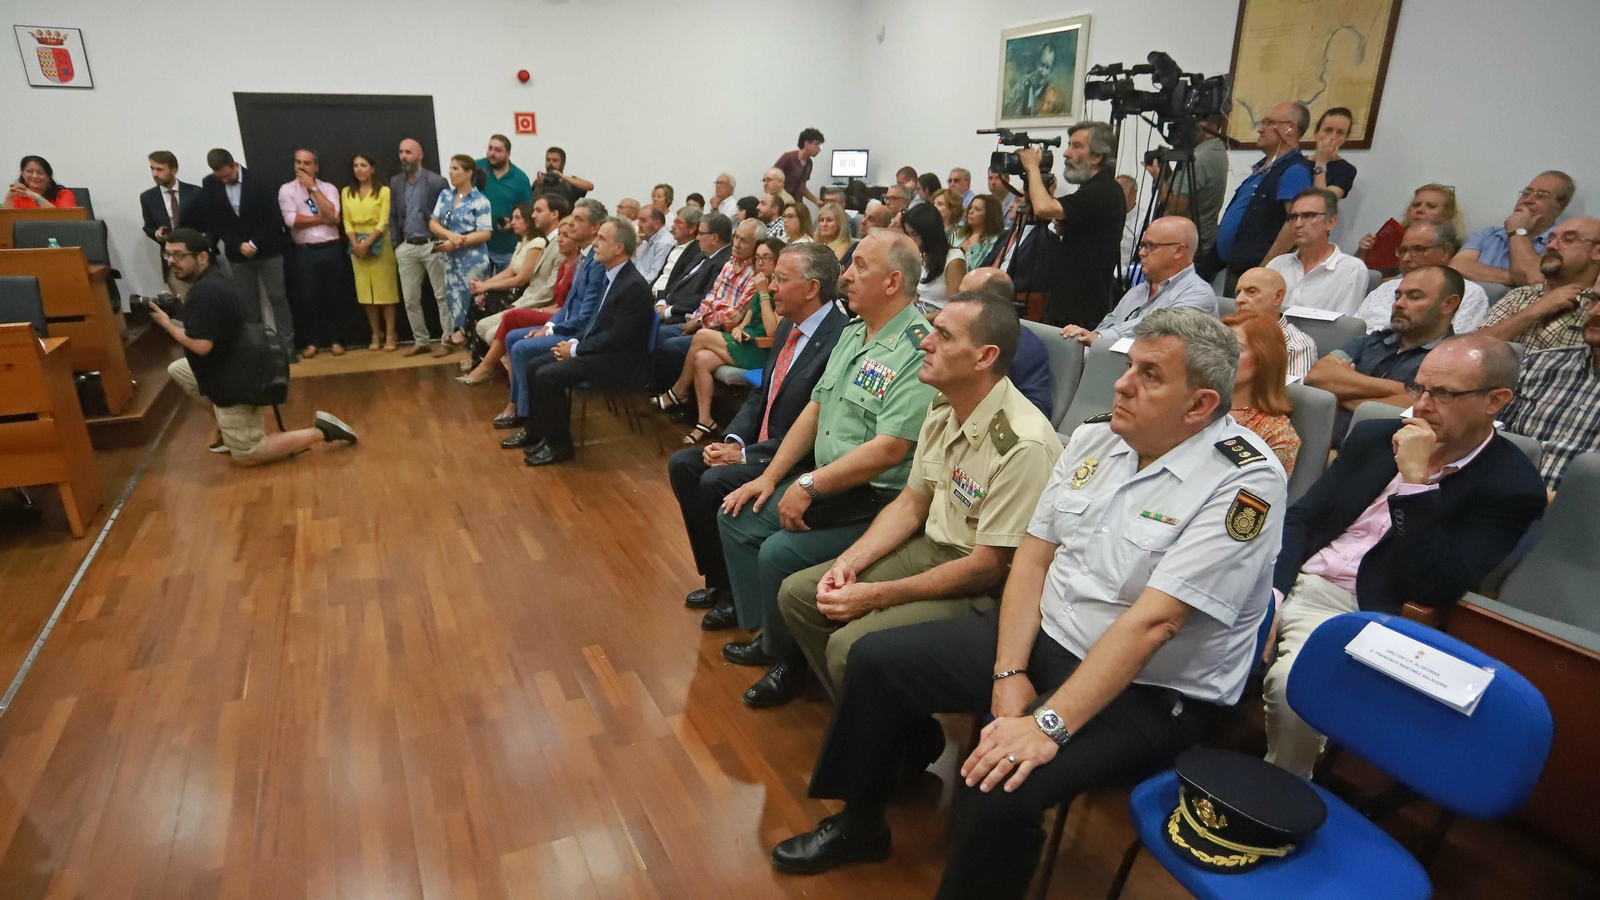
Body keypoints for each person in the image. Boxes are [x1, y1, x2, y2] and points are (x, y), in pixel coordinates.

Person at [771, 309, 1285, 899]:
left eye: (1149, 375)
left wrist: (1047, 724)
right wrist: (1010, 670)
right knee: (877, 659)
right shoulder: (1097, 437)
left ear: (1199, 406)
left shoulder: (1243, 484)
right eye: (1127, 366)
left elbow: (1155, 623)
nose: (1121, 383)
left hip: (1150, 688)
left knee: (1000, 781)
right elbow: (1034, 559)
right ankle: (860, 823)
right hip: (1050, 637)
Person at [1265, 334, 1545, 778]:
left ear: (1496, 400)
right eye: (1419, 389)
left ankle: (1279, 792)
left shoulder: (1511, 486)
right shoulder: (1376, 436)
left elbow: (1435, 583)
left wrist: (1415, 484)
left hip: (1358, 605)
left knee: (1295, 687)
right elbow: (1303, 517)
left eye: (1445, 394)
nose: (1422, 405)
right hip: (1286, 575)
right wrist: (1274, 594)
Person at [761, 291, 1062, 705]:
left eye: (943, 334)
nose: (924, 341)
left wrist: (876, 596)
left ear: (984, 357)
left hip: (983, 586)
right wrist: (849, 564)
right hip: (930, 547)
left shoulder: (1021, 443)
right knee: (799, 595)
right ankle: (872, 715)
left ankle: (887, 733)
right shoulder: (945, 405)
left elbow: (988, 567)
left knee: (848, 645)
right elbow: (910, 503)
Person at [713, 232, 937, 657]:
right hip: (829, 483)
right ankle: (763, 626)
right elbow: (815, 409)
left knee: (779, 551)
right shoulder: (854, 333)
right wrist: (770, 476)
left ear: (892, 282)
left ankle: (782, 657)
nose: (846, 276)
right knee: (737, 517)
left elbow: (889, 449)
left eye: (859, 267)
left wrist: (808, 485)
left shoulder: (916, 348)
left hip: (876, 499)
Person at [670, 243, 849, 627]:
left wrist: (748, 457)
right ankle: (718, 580)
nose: (770, 286)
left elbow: (813, 424)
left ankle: (738, 596)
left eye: (781, 280)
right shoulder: (788, 324)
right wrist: (733, 441)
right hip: (758, 445)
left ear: (812, 288)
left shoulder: (839, 338)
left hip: (795, 457)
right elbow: (761, 394)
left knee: (716, 480)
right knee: (684, 464)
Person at [150, 228, 359, 465]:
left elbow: (201, 346)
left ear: (202, 257)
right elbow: (210, 324)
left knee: (249, 454)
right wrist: (179, 311)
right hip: (240, 364)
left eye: (179, 255)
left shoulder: (205, 292)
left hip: (235, 381)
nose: (171, 261)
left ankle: (323, 431)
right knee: (179, 369)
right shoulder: (214, 279)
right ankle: (227, 431)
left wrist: (167, 325)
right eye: (168, 255)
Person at [520, 217, 654, 466]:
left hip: (618, 361)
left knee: (548, 375)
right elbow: (596, 326)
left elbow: (617, 337)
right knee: (534, 365)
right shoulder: (610, 276)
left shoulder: (633, 286)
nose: (594, 243)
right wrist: (572, 343)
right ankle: (540, 434)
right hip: (600, 352)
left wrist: (576, 348)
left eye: (602, 238)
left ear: (619, 248)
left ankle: (560, 446)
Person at [1306, 265, 1463, 441]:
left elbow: (1415, 410)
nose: (1398, 304)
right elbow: (1316, 376)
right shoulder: (1370, 340)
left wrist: (1340, 392)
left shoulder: (1452, 362)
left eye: (1414, 297)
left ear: (1448, 304)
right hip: (1318, 442)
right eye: (1398, 296)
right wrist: (1401, 390)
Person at [497, 198, 608, 443]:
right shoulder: (583, 257)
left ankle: (528, 420)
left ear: (594, 228)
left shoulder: (597, 263)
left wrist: (550, 331)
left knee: (521, 348)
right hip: (565, 325)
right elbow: (568, 305)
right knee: (513, 336)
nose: (571, 224)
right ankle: (518, 407)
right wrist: (547, 326)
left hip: (578, 335)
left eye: (579, 219)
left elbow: (585, 315)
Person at [659, 237, 783, 443]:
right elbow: (748, 319)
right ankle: (705, 421)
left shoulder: (778, 289)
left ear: (778, 261)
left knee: (701, 335)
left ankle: (678, 391)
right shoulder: (762, 283)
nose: (761, 263)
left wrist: (763, 294)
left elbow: (773, 331)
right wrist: (738, 330)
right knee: (702, 358)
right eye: (758, 258)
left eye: (767, 258)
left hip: (762, 351)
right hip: (745, 342)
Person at [1018, 122, 1124, 327]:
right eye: (1069, 145)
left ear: (1097, 156)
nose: (1066, 153)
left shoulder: (1103, 189)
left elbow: (1043, 208)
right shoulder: (1093, 188)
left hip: (1081, 309)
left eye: (1077, 146)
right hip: (1070, 301)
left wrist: (1032, 167)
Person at [188, 149, 293, 352]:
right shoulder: (210, 184)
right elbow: (216, 222)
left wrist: (254, 243)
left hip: (268, 249)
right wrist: (237, 244)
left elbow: (274, 219)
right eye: (220, 177)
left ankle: (287, 347)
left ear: (235, 165)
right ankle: (261, 350)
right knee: (248, 304)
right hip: (237, 254)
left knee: (278, 297)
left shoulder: (260, 181)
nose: (225, 180)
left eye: (228, 175)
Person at [1205, 101, 1314, 286]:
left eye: (1269, 123)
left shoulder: (1293, 170)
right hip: (1237, 268)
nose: (1260, 129)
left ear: (1290, 128)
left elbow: (1294, 224)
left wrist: (1265, 268)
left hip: (1258, 275)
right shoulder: (1264, 169)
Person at [458, 199, 567, 384]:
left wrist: (529, 308)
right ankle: (517, 377)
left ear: (555, 214)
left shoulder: (553, 243)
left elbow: (539, 285)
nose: (533, 215)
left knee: (493, 329)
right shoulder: (543, 241)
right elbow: (512, 272)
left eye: (538, 210)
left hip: (538, 303)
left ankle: (515, 380)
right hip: (528, 298)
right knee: (482, 324)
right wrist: (483, 285)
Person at [1500, 295, 1600, 492]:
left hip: (1582, 514)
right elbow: (1489, 438)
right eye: (1594, 300)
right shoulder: (1540, 363)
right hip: (1501, 497)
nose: (1595, 311)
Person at [1062, 217, 1214, 345]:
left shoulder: (1198, 295)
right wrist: (1085, 339)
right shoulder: (1138, 290)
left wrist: (1100, 339)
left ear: (1178, 251)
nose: (1141, 253)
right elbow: (1108, 324)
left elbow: (1156, 331)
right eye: (1142, 245)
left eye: (1150, 246)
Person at [654, 218, 764, 391]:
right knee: (658, 334)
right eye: (737, 238)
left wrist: (699, 323)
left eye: (744, 241)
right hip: (702, 321)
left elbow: (734, 315)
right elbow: (710, 297)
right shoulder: (730, 263)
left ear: (757, 245)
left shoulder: (755, 274)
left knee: (672, 345)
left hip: (720, 331)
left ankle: (677, 396)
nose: (737, 243)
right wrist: (696, 318)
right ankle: (662, 389)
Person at [1477, 218, 1600, 353]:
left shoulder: (1595, 306)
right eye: (1551, 239)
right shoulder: (1520, 295)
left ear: (1597, 252)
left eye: (1568, 239)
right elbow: (1472, 347)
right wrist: (1538, 308)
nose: (1550, 246)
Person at [1354, 221, 1491, 334]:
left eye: (1418, 249)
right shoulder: (1385, 288)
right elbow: (1353, 332)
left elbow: (1453, 346)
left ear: (1445, 251)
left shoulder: (1469, 293)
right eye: (1403, 251)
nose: (1406, 258)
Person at [1452, 171, 1574, 287]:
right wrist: (1516, 277)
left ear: (1560, 207)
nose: (1528, 200)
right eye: (1526, 193)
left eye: (1541, 196)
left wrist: (1517, 231)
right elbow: (1457, 266)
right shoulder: (1489, 234)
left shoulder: (1560, 244)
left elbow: (1534, 279)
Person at [277, 149, 345, 357]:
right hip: (305, 252)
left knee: (334, 296)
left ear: (315, 167)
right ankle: (313, 342)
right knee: (308, 298)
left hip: (331, 248)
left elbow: (333, 214)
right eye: (298, 162)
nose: (301, 167)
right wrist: (323, 219)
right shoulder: (287, 190)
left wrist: (313, 189)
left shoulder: (328, 188)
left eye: (306, 163)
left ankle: (336, 340)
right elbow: (292, 221)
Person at [961, 267, 1054, 419]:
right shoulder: (953, 332)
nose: (953, 301)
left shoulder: (1026, 347)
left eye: (964, 297)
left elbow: (1038, 410)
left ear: (989, 303)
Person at [1264, 188, 1370, 316]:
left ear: (1330, 222)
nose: (1298, 224)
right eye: (1293, 217)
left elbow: (1344, 329)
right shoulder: (1277, 264)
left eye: (1308, 216)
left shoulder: (1350, 269)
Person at [390, 139, 451, 355]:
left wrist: (443, 237)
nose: (403, 156)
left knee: (441, 296)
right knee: (410, 298)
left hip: (431, 244)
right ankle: (421, 340)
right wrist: (396, 244)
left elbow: (448, 212)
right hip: (407, 246)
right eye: (401, 152)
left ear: (420, 155)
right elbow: (394, 213)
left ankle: (447, 340)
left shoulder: (437, 181)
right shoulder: (396, 182)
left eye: (408, 152)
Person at [1143, 112, 1228, 263]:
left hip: (1185, 247)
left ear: (1212, 129)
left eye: (1194, 126)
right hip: (1195, 241)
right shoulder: (1216, 151)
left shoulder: (1201, 157)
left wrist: (1159, 177)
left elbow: (1176, 207)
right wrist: (1167, 172)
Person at [429, 154, 493, 350]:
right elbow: (433, 222)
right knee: (453, 298)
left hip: (471, 260)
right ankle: (464, 340)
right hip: (450, 260)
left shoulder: (480, 200)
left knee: (471, 299)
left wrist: (457, 242)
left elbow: (485, 233)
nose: (451, 172)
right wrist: (449, 236)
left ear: (469, 173)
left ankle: (475, 345)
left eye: (456, 168)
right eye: (450, 168)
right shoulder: (445, 195)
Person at [1223, 310, 1300, 473]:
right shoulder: (1190, 403)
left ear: (1264, 359)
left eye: (1235, 349)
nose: (1221, 355)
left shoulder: (1277, 434)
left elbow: (1262, 493)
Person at [342, 153, 400, 351]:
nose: (359, 169)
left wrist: (367, 242)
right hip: (356, 246)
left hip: (380, 244)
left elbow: (383, 221)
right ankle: (376, 333)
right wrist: (356, 243)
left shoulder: (383, 191)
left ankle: (391, 334)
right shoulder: (346, 192)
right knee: (366, 293)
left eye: (363, 165)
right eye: (356, 165)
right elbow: (346, 220)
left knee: (386, 292)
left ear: (372, 168)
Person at [1232, 267, 1318, 380]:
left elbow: (1292, 395)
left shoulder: (1297, 345)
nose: (1239, 299)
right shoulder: (1225, 333)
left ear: (1277, 297)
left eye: (1251, 291)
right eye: (1238, 293)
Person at [1354, 183, 1464, 268]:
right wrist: (1362, 253)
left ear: (1447, 214)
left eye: (1431, 206)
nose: (1420, 210)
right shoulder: (1391, 237)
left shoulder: (1456, 248)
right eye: (1416, 205)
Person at [657, 212, 731, 332]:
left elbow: (703, 298)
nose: (697, 238)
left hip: (682, 317)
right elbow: (675, 281)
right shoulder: (701, 254)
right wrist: (661, 301)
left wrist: (667, 311)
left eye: (701, 233)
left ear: (714, 238)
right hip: (666, 308)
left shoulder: (723, 263)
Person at [140, 151, 200, 296]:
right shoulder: (148, 197)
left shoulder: (195, 192)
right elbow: (148, 226)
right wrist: (156, 234)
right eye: (152, 169)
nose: (155, 174)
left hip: (197, 258)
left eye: (160, 169)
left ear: (174, 170)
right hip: (172, 262)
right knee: (184, 302)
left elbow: (209, 224)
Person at [474, 135, 533, 274]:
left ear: (508, 153)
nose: (492, 153)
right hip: (478, 247)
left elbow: (528, 210)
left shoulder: (519, 178)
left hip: (507, 247)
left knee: (503, 291)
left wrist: (512, 223)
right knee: (478, 291)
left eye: (497, 150)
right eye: (490, 148)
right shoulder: (478, 168)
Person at [900, 203, 963, 315]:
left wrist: (921, 318)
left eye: (914, 234)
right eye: (908, 234)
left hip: (938, 318)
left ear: (929, 232)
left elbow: (957, 307)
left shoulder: (954, 260)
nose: (911, 240)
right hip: (919, 312)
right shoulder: (922, 255)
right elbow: (917, 295)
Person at [651, 206, 705, 297]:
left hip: (664, 299)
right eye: (674, 222)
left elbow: (679, 284)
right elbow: (661, 274)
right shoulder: (675, 247)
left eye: (679, 223)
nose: (673, 226)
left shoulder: (696, 252)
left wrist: (658, 295)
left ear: (692, 228)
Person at [1309, 107, 1357, 198]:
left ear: (1345, 138)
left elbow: (1324, 203)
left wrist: (1321, 163)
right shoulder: (1298, 161)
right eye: (1328, 130)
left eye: (1340, 132)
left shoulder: (1346, 170)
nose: (1332, 137)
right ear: (1316, 133)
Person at [775, 128, 824, 207]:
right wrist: (787, 198)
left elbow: (802, 187)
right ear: (806, 143)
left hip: (797, 205)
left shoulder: (809, 163)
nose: (819, 149)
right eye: (817, 144)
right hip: (781, 205)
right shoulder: (788, 158)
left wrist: (816, 201)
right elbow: (771, 180)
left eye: (820, 146)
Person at [3, 156, 75, 209]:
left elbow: (65, 219)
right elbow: (8, 221)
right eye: (29, 171)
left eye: (40, 173)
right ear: (23, 174)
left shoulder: (63, 194)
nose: (34, 176)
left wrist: (35, 196)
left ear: (49, 177)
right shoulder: (18, 196)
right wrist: (9, 197)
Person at [955, 194, 1001, 270]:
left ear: (989, 215)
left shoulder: (995, 241)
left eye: (977, 209)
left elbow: (978, 270)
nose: (970, 211)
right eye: (970, 207)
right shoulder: (959, 234)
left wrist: (974, 247)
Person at [632, 205, 675, 283]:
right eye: (639, 220)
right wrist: (634, 248)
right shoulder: (645, 239)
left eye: (643, 221)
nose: (638, 225)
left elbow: (652, 279)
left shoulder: (665, 243)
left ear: (656, 224)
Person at [816, 201, 856, 271]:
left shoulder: (843, 247)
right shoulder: (817, 243)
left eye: (829, 220)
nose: (824, 224)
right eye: (821, 220)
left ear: (840, 224)